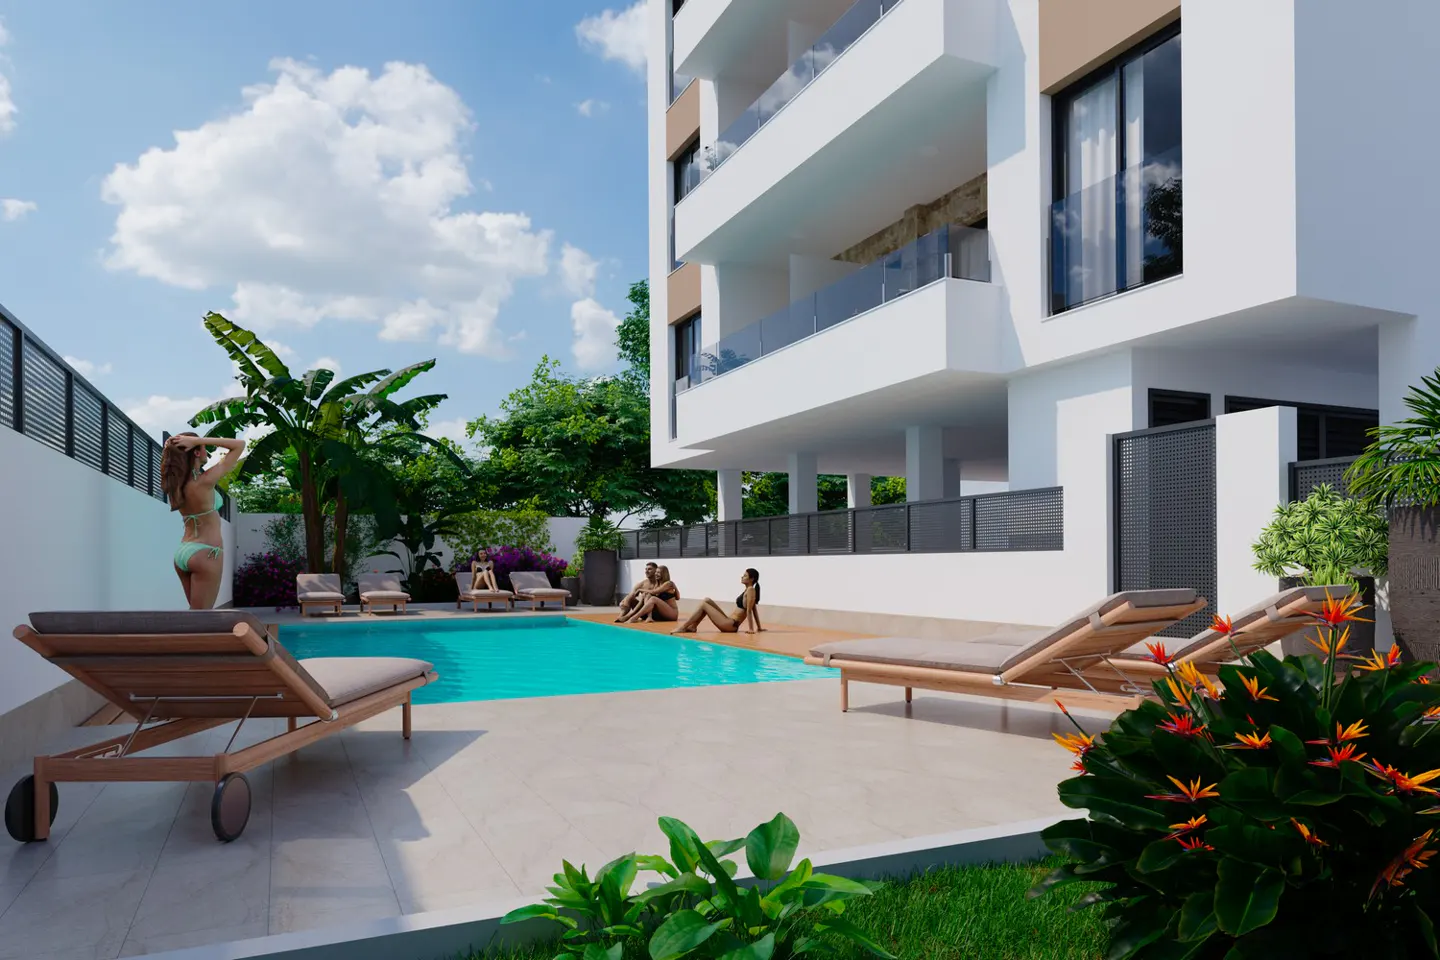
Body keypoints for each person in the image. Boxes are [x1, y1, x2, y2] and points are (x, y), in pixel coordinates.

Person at [160, 431, 246, 610]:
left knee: (196, 615)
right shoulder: (204, 482)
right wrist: (198, 440)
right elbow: (239, 445)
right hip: (206, 553)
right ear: (196, 452)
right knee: (201, 619)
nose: (208, 452)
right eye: (204, 448)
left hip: (184, 552)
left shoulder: (176, 486)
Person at [672, 568, 762, 636]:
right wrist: (759, 627)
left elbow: (750, 610)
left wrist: (751, 629)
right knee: (707, 600)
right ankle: (693, 626)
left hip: (731, 625)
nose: (742, 577)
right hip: (729, 621)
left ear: (752, 579)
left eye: (745, 576)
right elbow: (754, 609)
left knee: (704, 605)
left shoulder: (751, 590)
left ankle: (683, 627)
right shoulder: (748, 590)